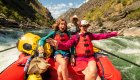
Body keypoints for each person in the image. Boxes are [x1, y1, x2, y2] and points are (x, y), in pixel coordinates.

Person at [46, 20, 119, 80]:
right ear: (80, 27)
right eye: (83, 26)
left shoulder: (90, 35)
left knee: (93, 71)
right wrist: (58, 44)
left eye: (86, 26)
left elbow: (101, 35)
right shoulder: (75, 37)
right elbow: (67, 45)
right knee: (96, 77)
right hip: (80, 59)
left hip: (91, 58)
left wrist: (114, 33)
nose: (85, 27)